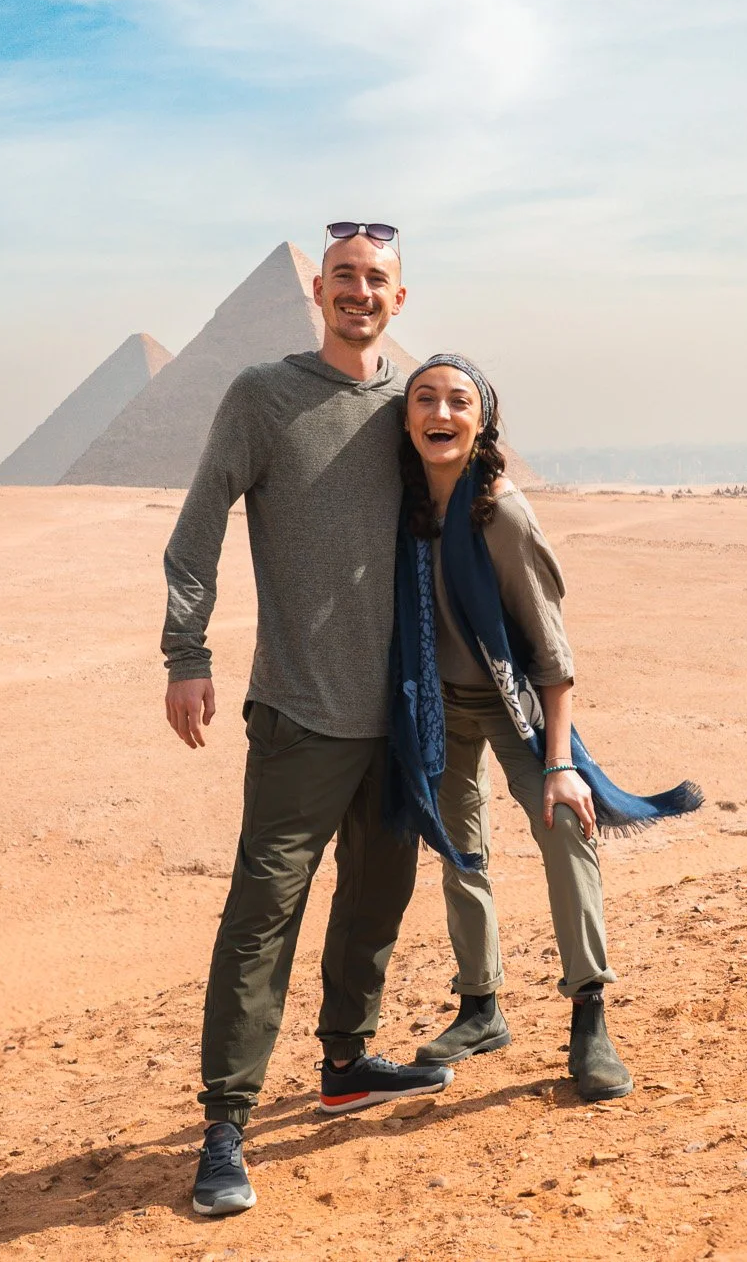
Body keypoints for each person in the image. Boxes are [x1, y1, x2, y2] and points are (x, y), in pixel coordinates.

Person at [164, 222, 452, 1218]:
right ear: (316, 291)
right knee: (259, 922)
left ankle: (343, 1061)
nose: (357, 293)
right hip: (297, 712)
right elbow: (196, 529)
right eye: (342, 278)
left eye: (375, 280)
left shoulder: (419, 408)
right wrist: (186, 657)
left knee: (375, 902)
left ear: (398, 301)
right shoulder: (262, 396)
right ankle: (224, 1123)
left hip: (398, 722)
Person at [386, 353, 702, 1103]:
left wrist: (560, 762)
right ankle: (481, 1005)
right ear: (404, 419)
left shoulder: (500, 511)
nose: (440, 412)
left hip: (514, 702)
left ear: (482, 418)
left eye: (458, 399)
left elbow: (553, 655)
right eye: (423, 397)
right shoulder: (399, 507)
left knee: (567, 826)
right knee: (458, 848)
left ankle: (590, 1010)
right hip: (437, 705)